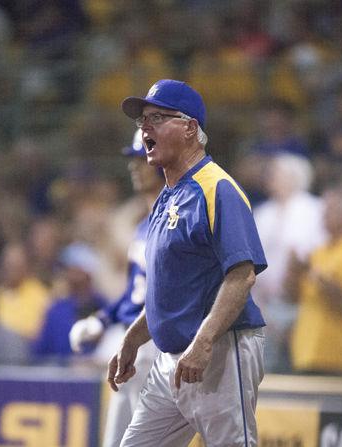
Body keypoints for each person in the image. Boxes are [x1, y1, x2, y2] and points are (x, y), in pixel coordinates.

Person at [109, 79, 268, 446]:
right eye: (143, 120)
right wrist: (133, 338)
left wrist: (205, 341)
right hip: (172, 359)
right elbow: (172, 290)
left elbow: (242, 276)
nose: (145, 127)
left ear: (190, 128)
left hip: (221, 351)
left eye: (157, 118)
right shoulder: (168, 195)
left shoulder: (217, 188)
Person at [68, 130, 163, 447]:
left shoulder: (178, 218)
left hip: (161, 343)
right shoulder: (143, 225)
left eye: (142, 159)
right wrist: (103, 320)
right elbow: (135, 292)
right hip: (134, 342)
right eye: (134, 160)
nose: (134, 167)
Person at [286, 186, 342, 375]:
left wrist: (312, 272)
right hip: (305, 355)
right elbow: (293, 298)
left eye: (329, 211)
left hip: (339, 359)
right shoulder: (319, 252)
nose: (323, 216)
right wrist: (293, 271)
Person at [252, 153, 324, 373]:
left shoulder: (314, 209)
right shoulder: (263, 213)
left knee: (299, 363)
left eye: (278, 174)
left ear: (295, 177)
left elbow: (318, 251)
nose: (272, 179)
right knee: (265, 366)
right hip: (266, 301)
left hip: (303, 299)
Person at [31, 242, 108, 361]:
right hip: (60, 375)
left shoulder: (104, 306)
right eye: (68, 269)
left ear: (87, 273)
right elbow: (40, 352)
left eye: (74, 269)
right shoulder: (56, 310)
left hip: (97, 376)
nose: (69, 274)